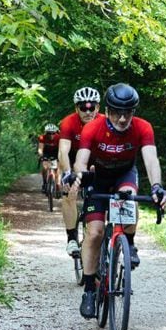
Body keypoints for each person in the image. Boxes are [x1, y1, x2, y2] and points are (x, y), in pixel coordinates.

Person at [65, 83, 166, 318]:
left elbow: (151, 159)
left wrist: (156, 186)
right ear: (108, 109)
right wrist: (80, 175)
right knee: (94, 233)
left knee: (129, 200)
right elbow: (81, 159)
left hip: (125, 173)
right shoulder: (94, 127)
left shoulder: (143, 128)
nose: (122, 119)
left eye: (128, 113)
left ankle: (128, 242)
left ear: (134, 111)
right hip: (99, 177)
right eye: (117, 113)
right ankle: (90, 289)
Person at [58, 87, 102, 256]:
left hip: (96, 160)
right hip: (73, 158)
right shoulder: (69, 122)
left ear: (98, 108)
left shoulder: (105, 122)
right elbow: (63, 151)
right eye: (83, 108)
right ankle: (71, 239)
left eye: (92, 107)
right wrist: (68, 173)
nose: (88, 111)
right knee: (69, 193)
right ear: (77, 108)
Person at [38, 123, 60, 193]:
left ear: (55, 133)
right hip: (46, 152)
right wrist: (41, 155)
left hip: (56, 152)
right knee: (45, 167)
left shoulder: (59, 137)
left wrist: (62, 156)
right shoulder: (42, 137)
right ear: (46, 133)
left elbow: (62, 149)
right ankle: (44, 184)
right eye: (49, 133)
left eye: (53, 133)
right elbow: (40, 148)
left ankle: (57, 186)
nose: (51, 135)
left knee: (57, 170)